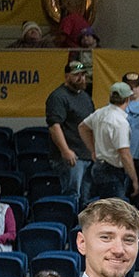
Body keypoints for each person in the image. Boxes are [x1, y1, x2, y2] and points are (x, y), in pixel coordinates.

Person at [46, 59, 95, 206]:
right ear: (67, 76)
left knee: (85, 200)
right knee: (72, 196)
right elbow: (54, 126)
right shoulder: (58, 97)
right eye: (77, 75)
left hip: (86, 155)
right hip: (72, 158)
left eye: (83, 75)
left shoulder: (85, 96)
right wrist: (65, 150)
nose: (81, 78)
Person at [81, 82, 139, 202]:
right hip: (112, 171)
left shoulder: (100, 113)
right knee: (115, 212)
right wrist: (134, 179)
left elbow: (82, 127)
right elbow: (124, 153)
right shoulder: (120, 122)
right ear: (128, 99)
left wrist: (93, 150)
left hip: (99, 166)